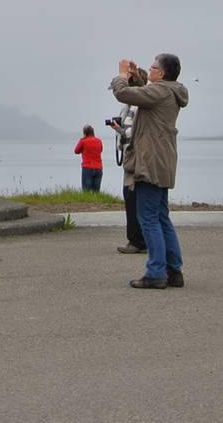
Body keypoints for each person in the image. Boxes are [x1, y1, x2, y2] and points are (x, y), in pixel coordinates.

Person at [111, 53, 190, 289]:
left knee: (148, 219)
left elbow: (123, 94)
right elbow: (142, 94)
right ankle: (173, 270)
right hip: (163, 161)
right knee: (161, 218)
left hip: (150, 162)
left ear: (162, 73)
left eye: (153, 67)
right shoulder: (169, 91)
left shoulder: (160, 91)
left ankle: (156, 272)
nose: (150, 69)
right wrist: (136, 79)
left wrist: (122, 76)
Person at [106, 65, 149, 253]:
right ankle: (141, 240)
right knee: (138, 202)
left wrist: (119, 130)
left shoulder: (135, 105)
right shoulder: (141, 102)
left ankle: (136, 241)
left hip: (134, 160)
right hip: (136, 159)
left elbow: (131, 134)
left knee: (132, 201)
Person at [74, 125, 104, 192]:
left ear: (85, 133)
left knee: (86, 191)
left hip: (87, 168)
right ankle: (97, 202)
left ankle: (87, 202)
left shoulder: (83, 141)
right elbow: (101, 150)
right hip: (98, 168)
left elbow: (76, 151)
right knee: (96, 191)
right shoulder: (99, 141)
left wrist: (82, 139)